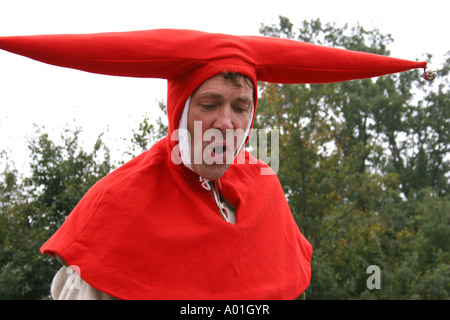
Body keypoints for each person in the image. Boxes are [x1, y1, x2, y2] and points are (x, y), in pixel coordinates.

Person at [0, 29, 430, 300]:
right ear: (179, 111)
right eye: (210, 104)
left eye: (241, 107)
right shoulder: (118, 200)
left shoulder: (265, 189)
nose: (226, 123)